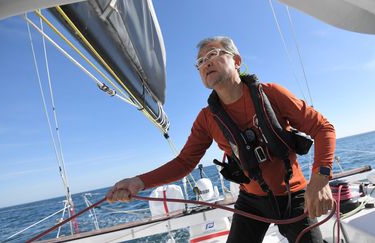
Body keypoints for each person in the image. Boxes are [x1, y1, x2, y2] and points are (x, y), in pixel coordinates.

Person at [106, 36, 336, 243]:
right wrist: (139, 181)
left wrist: (320, 179)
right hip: (251, 202)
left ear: (236, 60)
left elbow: (322, 128)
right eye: (200, 62)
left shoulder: (272, 93)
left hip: (293, 196)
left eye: (213, 54)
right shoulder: (206, 119)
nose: (205, 63)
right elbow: (185, 162)